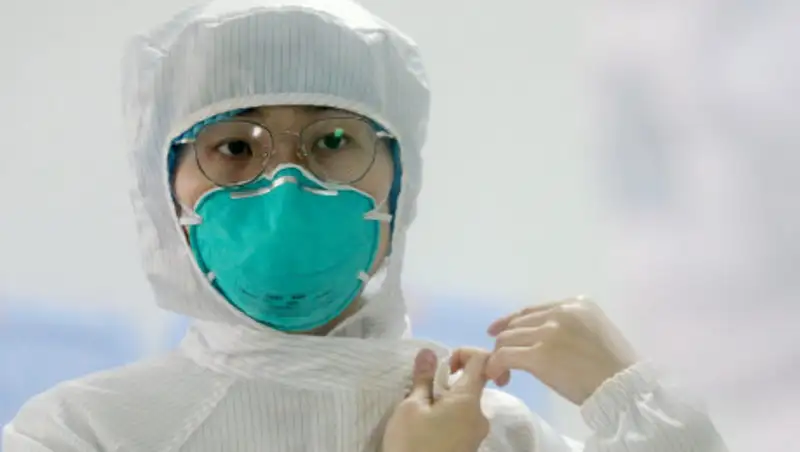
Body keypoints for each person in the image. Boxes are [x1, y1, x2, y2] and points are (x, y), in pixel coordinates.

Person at [2, 0, 727, 451]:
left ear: (399, 178)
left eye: (332, 141)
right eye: (234, 149)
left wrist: (633, 400)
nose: (287, 188)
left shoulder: (490, 429)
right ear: (165, 185)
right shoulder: (84, 433)